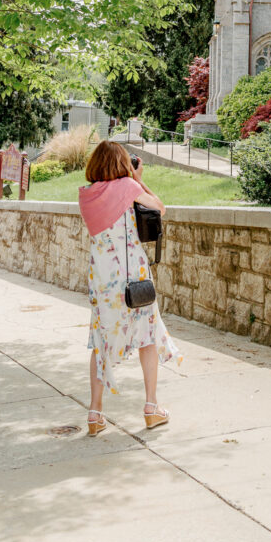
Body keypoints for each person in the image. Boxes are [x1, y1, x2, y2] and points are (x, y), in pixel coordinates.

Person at [79, 140, 181, 436]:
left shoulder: (86, 196)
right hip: (132, 276)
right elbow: (160, 208)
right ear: (121, 163)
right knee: (147, 336)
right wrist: (138, 180)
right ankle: (151, 408)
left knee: (101, 341)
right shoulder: (128, 187)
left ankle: (95, 414)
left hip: (101, 278)